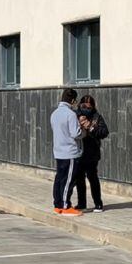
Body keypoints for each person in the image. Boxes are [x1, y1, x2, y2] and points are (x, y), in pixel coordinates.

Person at [50, 88, 84, 216]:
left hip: (58, 151)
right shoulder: (71, 114)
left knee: (59, 178)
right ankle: (65, 205)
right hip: (70, 152)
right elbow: (76, 133)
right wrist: (83, 131)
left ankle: (57, 204)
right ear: (73, 100)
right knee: (68, 181)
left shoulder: (55, 113)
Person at [75, 95, 109, 212]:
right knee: (79, 179)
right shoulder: (75, 115)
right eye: (84, 106)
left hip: (92, 153)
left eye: (89, 106)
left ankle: (98, 203)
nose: (86, 108)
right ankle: (81, 203)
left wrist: (90, 127)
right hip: (78, 152)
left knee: (93, 178)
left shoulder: (96, 117)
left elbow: (104, 132)